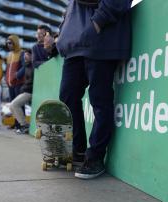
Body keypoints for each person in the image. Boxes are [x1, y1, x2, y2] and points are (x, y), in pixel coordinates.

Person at [56, 0, 132, 179]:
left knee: (99, 100)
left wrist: (97, 23)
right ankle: (78, 149)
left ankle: (95, 157)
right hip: (74, 46)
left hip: (100, 39)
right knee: (67, 96)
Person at [10, 49, 34, 134]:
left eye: (28, 54)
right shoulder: (26, 66)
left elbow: (31, 81)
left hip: (30, 92)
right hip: (25, 90)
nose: (25, 56)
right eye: (25, 55)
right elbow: (17, 76)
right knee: (11, 106)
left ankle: (24, 125)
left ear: (32, 56)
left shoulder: (34, 66)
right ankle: (24, 125)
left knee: (14, 104)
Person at [5, 35, 25, 129]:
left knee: (19, 104)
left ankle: (21, 124)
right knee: (12, 105)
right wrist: (6, 79)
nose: (8, 45)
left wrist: (17, 75)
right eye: (7, 43)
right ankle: (16, 123)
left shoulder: (22, 53)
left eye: (10, 43)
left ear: (15, 42)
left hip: (19, 83)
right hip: (10, 84)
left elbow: (24, 67)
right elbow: (7, 69)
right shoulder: (9, 55)